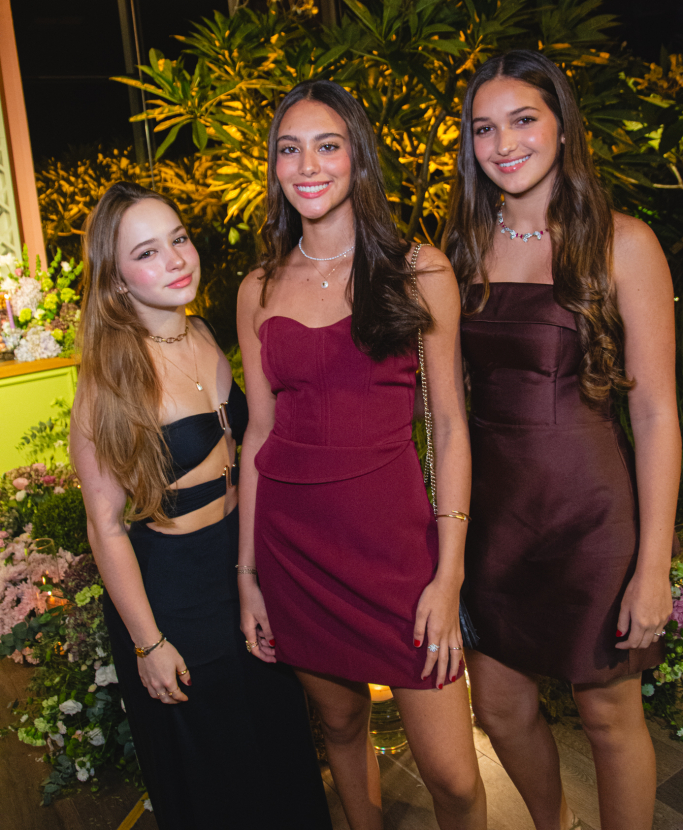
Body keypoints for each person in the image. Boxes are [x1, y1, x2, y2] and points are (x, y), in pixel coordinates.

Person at [236, 79, 487, 830]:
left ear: (358, 158)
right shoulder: (257, 288)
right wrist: (247, 576)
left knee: (453, 779)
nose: (307, 165)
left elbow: (449, 425)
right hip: (293, 549)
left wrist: (449, 572)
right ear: (275, 167)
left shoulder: (418, 270)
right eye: (289, 149)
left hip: (397, 552)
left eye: (327, 145)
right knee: (341, 728)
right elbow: (257, 433)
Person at [443, 49, 680, 830]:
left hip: (589, 516)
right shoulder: (459, 248)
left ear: (561, 127)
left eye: (522, 119)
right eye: (484, 128)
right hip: (492, 519)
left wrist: (653, 567)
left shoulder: (623, 243)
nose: (503, 143)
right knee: (499, 709)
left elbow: (655, 414)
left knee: (608, 715)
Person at [71, 181, 331, 830]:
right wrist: (148, 643)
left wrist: (255, 573)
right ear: (116, 279)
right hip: (173, 593)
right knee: (218, 777)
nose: (176, 259)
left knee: (280, 748)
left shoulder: (206, 334)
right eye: (147, 253)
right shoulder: (108, 378)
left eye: (179, 239)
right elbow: (105, 526)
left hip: (239, 568)